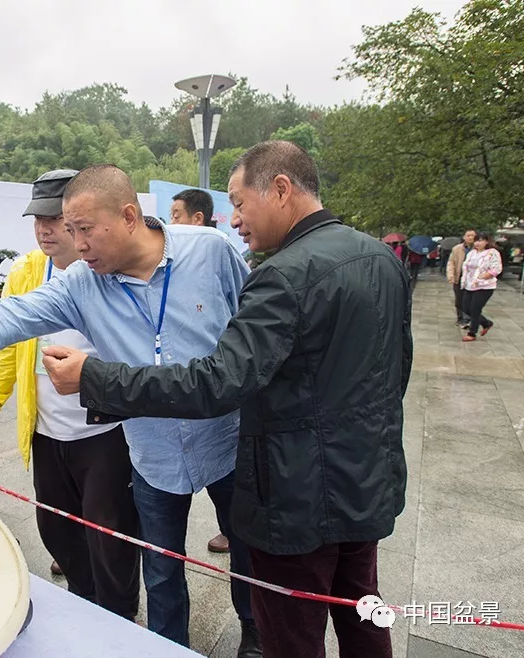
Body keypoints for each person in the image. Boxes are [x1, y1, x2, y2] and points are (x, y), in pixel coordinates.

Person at [41, 142, 411, 658]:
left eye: (239, 203)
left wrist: (95, 378)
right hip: (366, 481)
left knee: (291, 632)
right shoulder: (380, 259)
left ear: (280, 189)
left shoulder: (281, 277)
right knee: (365, 615)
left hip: (298, 496)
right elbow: (395, 374)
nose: (233, 221)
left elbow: (216, 383)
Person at [0, 165, 261, 656]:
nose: (77, 244)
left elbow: (253, 325)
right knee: (159, 569)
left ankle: (256, 636)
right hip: (152, 452)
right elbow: (5, 319)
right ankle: (165, 648)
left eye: (84, 230)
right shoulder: (81, 285)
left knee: (248, 552)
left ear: (129, 216)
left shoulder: (210, 251)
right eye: (69, 231)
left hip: (227, 440)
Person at [0, 168, 141, 619]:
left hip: (105, 433)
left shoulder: (109, 271)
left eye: (54, 218)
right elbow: (5, 343)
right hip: (46, 431)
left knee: (110, 536)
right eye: (36, 219)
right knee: (57, 529)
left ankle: (117, 620)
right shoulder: (26, 272)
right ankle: (85, 606)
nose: (44, 228)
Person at [168, 193, 231, 555]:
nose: (169, 221)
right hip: (172, 403)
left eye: (176, 214)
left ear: (197, 219)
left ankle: (230, 531)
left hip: (216, 398)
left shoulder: (217, 249)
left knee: (227, 486)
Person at [460, 232, 503, 343]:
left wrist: (485, 276)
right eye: (476, 241)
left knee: (475, 309)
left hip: (484, 286)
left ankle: (472, 333)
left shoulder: (492, 253)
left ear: (486, 241)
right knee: (465, 308)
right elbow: (466, 266)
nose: (478, 243)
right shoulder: (472, 253)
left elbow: (497, 268)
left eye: (481, 240)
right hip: (470, 284)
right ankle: (486, 323)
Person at [446, 229, 476, 326]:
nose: (470, 237)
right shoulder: (457, 249)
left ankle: (468, 318)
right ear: (464, 237)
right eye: (468, 235)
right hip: (459, 277)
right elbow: (451, 263)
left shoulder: (479, 249)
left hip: (473, 279)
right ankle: (460, 318)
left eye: (472, 235)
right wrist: (450, 275)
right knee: (459, 300)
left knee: (471, 300)